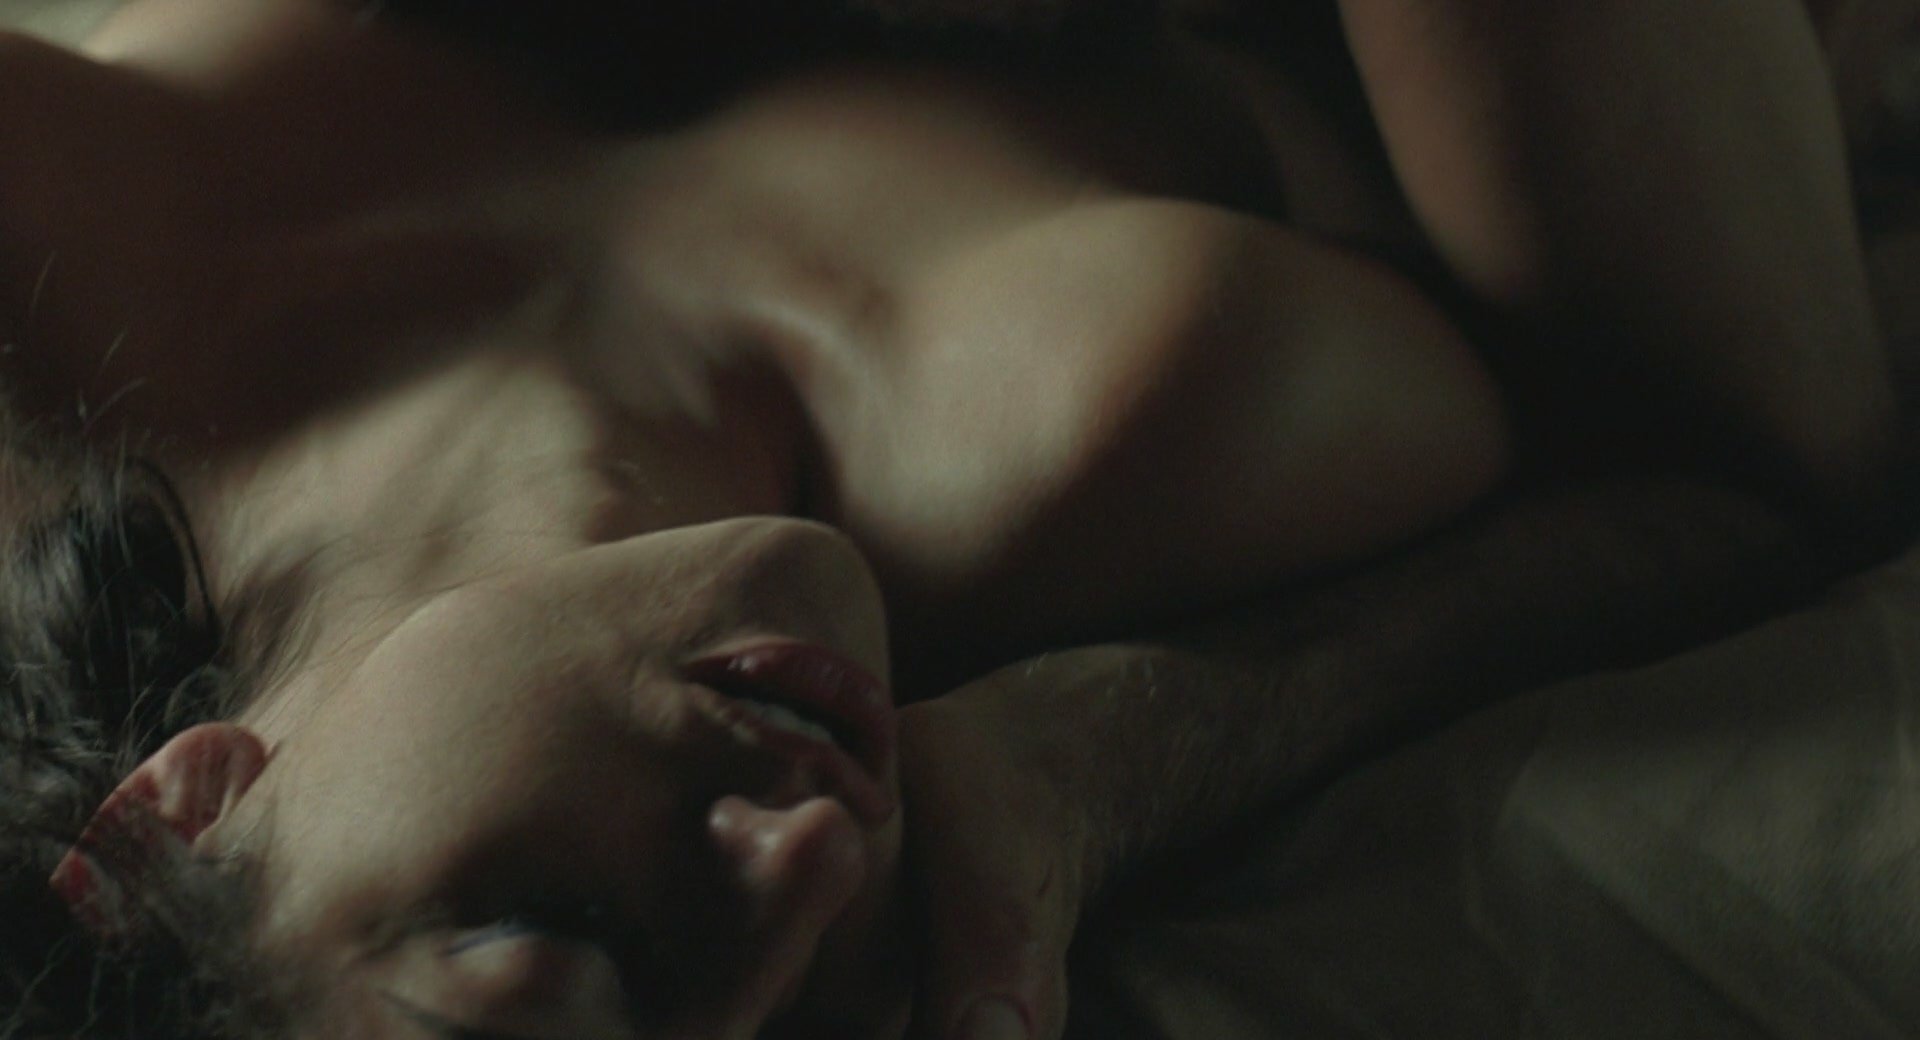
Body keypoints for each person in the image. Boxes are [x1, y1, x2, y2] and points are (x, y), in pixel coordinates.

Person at [0, 1, 1897, 1038]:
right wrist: (1111, 749)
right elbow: (1757, 481)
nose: (812, 861)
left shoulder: (58, 282)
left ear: (182, 807)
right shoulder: (1112, 431)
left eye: (560, 944)